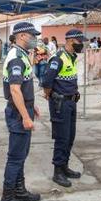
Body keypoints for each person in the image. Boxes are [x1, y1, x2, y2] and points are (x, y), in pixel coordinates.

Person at [0, 22, 42, 201]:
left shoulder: (22, 55)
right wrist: (25, 116)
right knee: (15, 157)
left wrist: (32, 106)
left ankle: (19, 190)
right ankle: (7, 199)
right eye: (33, 35)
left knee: (21, 155)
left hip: (23, 110)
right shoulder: (16, 58)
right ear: (22, 36)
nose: (35, 38)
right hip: (18, 115)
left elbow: (24, 87)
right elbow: (15, 90)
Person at [42, 29, 86, 187]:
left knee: (70, 136)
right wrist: (51, 96)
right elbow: (46, 82)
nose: (82, 45)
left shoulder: (72, 57)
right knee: (62, 137)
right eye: (80, 42)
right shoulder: (58, 58)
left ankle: (65, 166)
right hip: (60, 103)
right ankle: (57, 172)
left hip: (71, 102)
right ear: (71, 40)